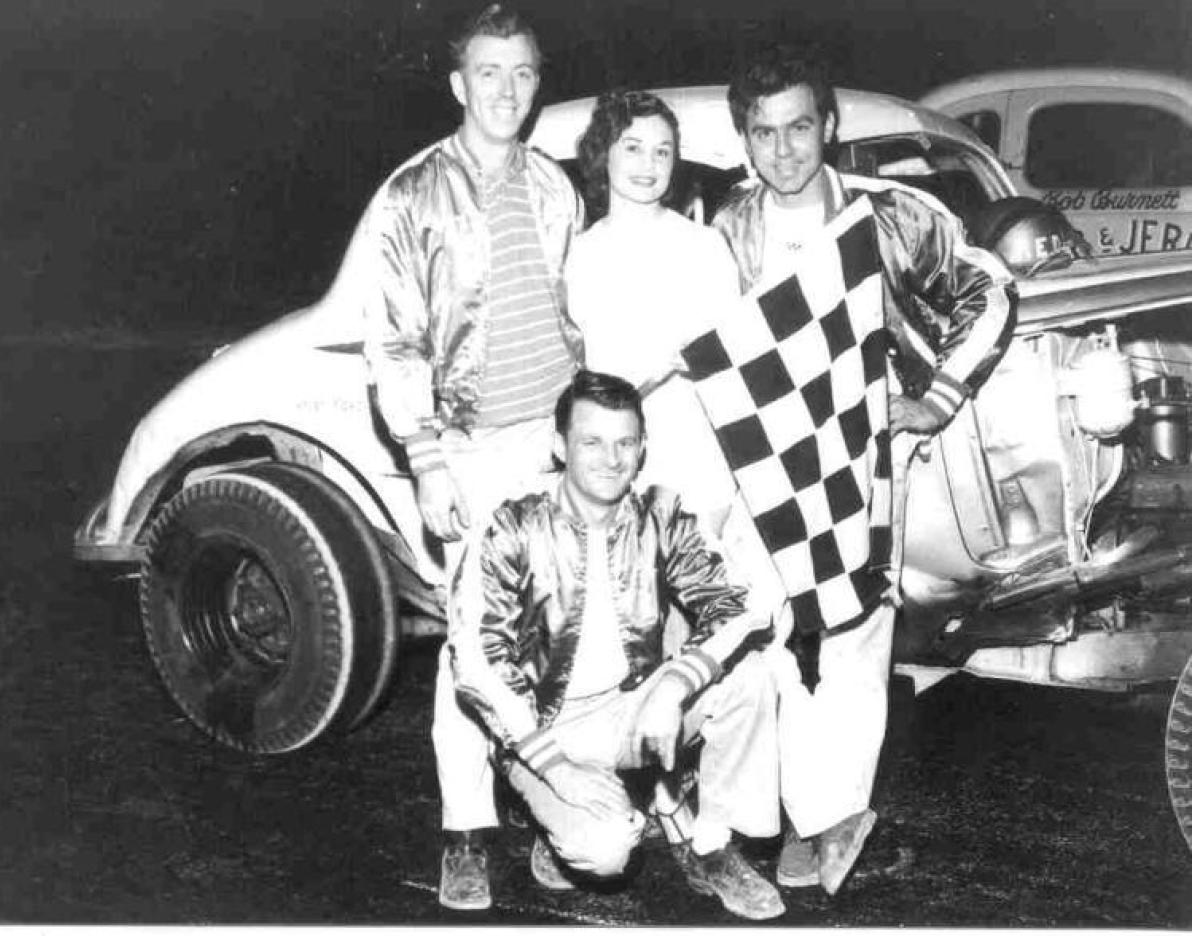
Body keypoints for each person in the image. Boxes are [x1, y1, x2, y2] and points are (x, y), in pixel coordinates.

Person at [705, 44, 1016, 895]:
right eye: (763, 133)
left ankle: (832, 825)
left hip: (864, 462)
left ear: (829, 126)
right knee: (769, 638)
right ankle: (780, 821)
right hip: (761, 464)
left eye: (799, 127)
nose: (783, 150)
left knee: (853, 641)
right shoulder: (724, 229)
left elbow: (989, 289)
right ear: (744, 139)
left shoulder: (891, 215)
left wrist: (936, 396)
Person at [355, 3, 583, 911]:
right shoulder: (412, 194)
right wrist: (426, 458)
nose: (506, 89)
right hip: (469, 449)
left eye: (523, 72)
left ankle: (552, 816)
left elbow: (573, 313)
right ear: (459, 84)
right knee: (476, 645)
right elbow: (394, 338)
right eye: (489, 71)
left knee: (559, 639)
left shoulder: (557, 187)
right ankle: (465, 831)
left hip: (557, 449)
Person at [448, 369, 787, 920]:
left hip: (631, 708)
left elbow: (742, 603)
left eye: (625, 443)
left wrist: (674, 685)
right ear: (560, 447)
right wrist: (558, 768)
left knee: (752, 676)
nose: (611, 459)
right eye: (592, 442)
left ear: (642, 448)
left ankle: (712, 846)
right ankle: (556, 819)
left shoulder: (659, 515)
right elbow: (475, 663)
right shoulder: (510, 526)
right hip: (542, 727)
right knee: (605, 851)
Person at [565, 89, 745, 534]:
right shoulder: (580, 255)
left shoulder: (705, 247)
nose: (649, 165)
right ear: (603, 154)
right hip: (612, 465)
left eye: (662, 151)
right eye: (633, 148)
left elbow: (732, 360)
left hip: (697, 457)